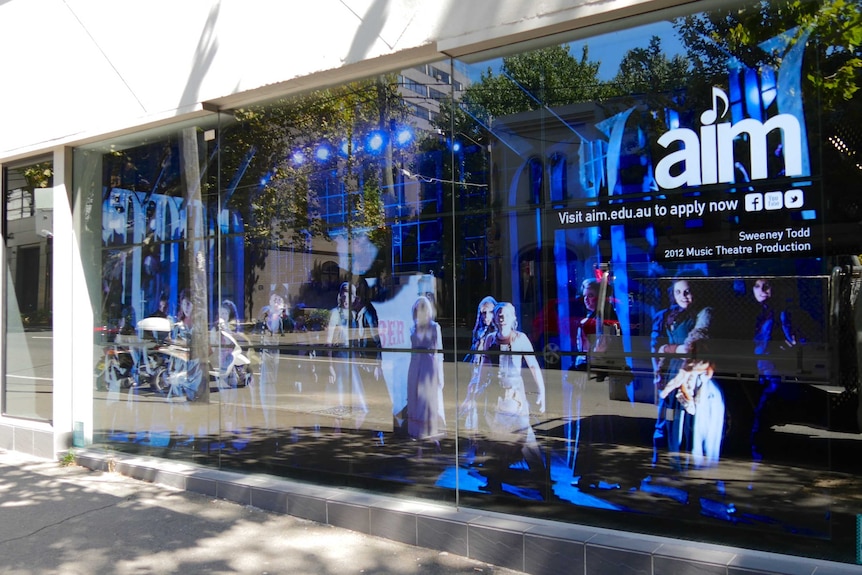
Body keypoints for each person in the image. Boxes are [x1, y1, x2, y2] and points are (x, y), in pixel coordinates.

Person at [461, 302, 547, 488]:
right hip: (496, 397)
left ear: (512, 317)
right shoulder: (490, 339)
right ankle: (494, 480)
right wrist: (475, 391)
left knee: (524, 436)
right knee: (496, 439)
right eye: (499, 313)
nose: (501, 316)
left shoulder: (520, 339)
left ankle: (542, 480)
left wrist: (542, 392)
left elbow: (532, 364)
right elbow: (484, 367)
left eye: (505, 313)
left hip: (515, 396)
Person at [650, 278, 712, 464]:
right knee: (665, 415)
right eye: (678, 292)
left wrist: (668, 349)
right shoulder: (666, 315)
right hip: (669, 369)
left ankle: (683, 460)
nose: (683, 296)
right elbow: (656, 346)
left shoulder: (702, 313)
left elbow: (689, 347)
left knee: (686, 416)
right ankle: (661, 460)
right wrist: (658, 369)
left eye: (687, 291)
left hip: (689, 369)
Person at [749, 278, 798, 461]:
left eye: (766, 286)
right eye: (756, 286)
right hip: (758, 364)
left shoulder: (780, 313)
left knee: (766, 402)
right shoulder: (758, 312)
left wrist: (784, 348)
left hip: (770, 366)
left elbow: (792, 340)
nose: (761, 290)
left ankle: (758, 444)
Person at [326, 282, 368, 430]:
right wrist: (330, 366)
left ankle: (351, 431)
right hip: (340, 357)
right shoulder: (335, 313)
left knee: (357, 400)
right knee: (340, 396)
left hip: (351, 358)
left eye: (349, 296)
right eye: (344, 295)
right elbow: (329, 341)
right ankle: (337, 430)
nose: (346, 299)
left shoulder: (353, 314)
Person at [406, 295, 445, 447]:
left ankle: (432, 432)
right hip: (415, 364)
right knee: (415, 398)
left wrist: (440, 375)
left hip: (429, 366)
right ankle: (418, 433)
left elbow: (439, 352)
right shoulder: (413, 327)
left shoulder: (435, 327)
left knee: (429, 399)